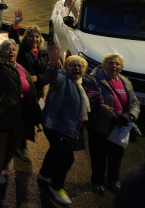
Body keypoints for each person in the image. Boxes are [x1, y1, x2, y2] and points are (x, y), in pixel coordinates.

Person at [0, 34, 40, 184]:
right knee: (0, 143)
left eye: (13, 49)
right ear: (1, 51)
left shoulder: (19, 67)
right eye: (7, 49)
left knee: (14, 141)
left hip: (17, 113)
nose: (11, 52)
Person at [36, 46, 90, 205]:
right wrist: (53, 64)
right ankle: (56, 186)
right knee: (67, 159)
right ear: (66, 67)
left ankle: (44, 174)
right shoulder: (62, 78)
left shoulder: (81, 84)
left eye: (80, 66)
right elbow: (53, 76)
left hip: (68, 127)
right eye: (73, 65)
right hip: (56, 126)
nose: (77, 68)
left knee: (54, 151)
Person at [83, 53, 140, 196]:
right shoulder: (94, 79)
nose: (114, 66)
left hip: (120, 127)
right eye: (111, 63)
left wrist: (131, 115)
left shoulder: (125, 81)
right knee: (99, 156)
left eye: (117, 64)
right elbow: (87, 99)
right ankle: (97, 181)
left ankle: (113, 180)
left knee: (116, 156)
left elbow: (135, 102)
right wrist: (101, 107)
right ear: (104, 65)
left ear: (121, 67)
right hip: (100, 127)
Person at [8, 9, 50, 162]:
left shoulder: (44, 55)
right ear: (26, 38)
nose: (34, 39)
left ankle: (20, 144)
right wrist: (16, 24)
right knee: (21, 119)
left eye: (37, 36)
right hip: (22, 92)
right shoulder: (22, 51)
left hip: (37, 94)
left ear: (40, 39)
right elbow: (13, 40)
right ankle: (19, 145)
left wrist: (38, 78)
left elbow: (48, 76)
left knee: (31, 119)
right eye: (31, 36)